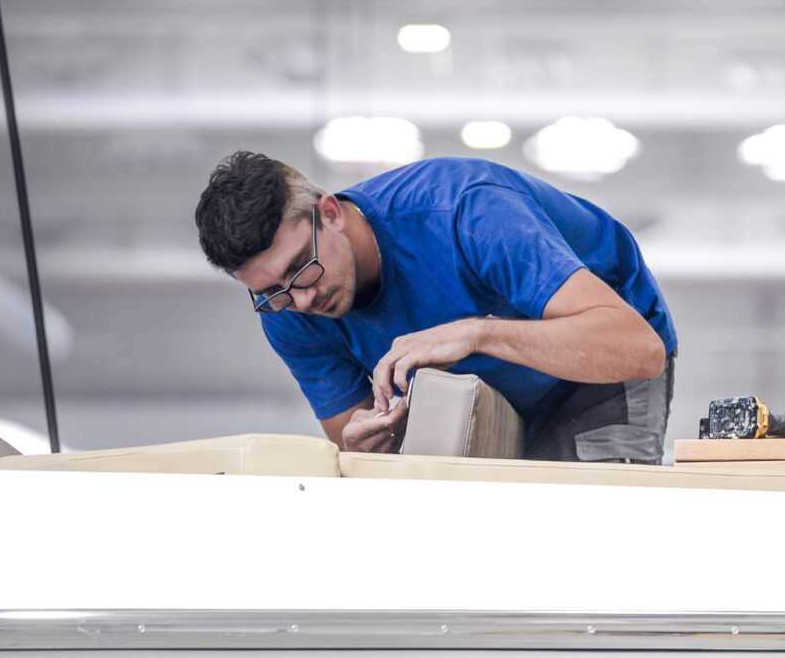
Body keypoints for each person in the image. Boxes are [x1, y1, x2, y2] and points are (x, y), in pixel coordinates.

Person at [193, 152, 676, 463]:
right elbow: (351, 436)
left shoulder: (468, 211)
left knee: (586, 524)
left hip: (596, 365)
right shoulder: (286, 308)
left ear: (330, 213)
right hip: (487, 394)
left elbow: (638, 349)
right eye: (271, 290)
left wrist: (472, 334)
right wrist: (363, 442)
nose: (303, 298)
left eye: (303, 266)